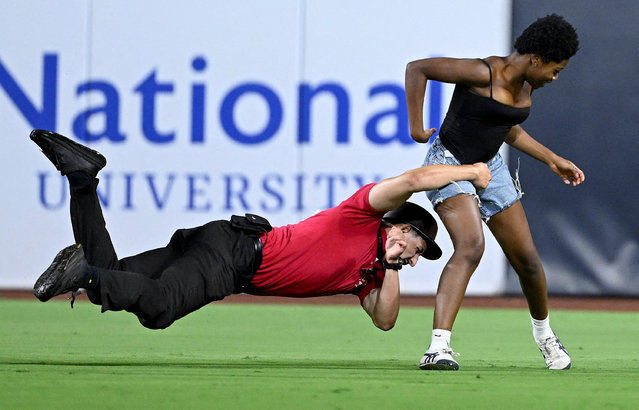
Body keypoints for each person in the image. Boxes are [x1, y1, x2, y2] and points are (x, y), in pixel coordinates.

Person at [30, 129, 491, 334]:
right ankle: (81, 272)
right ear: (403, 225)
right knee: (159, 309)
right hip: (234, 255)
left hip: (225, 248)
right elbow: (411, 181)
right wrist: (469, 171)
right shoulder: (362, 215)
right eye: (417, 247)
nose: (413, 258)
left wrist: (390, 266)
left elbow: (385, 320)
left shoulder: (368, 276)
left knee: (110, 277)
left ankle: (82, 180)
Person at [404, 13, 583, 371]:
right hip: (450, 163)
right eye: (555, 68)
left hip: (490, 167)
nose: (555, 77)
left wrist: (551, 159)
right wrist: (416, 127)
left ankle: (545, 336)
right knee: (471, 245)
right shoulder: (482, 73)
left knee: (528, 262)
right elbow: (417, 68)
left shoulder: (527, 85)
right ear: (535, 59)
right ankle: (437, 348)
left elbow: (507, 128)